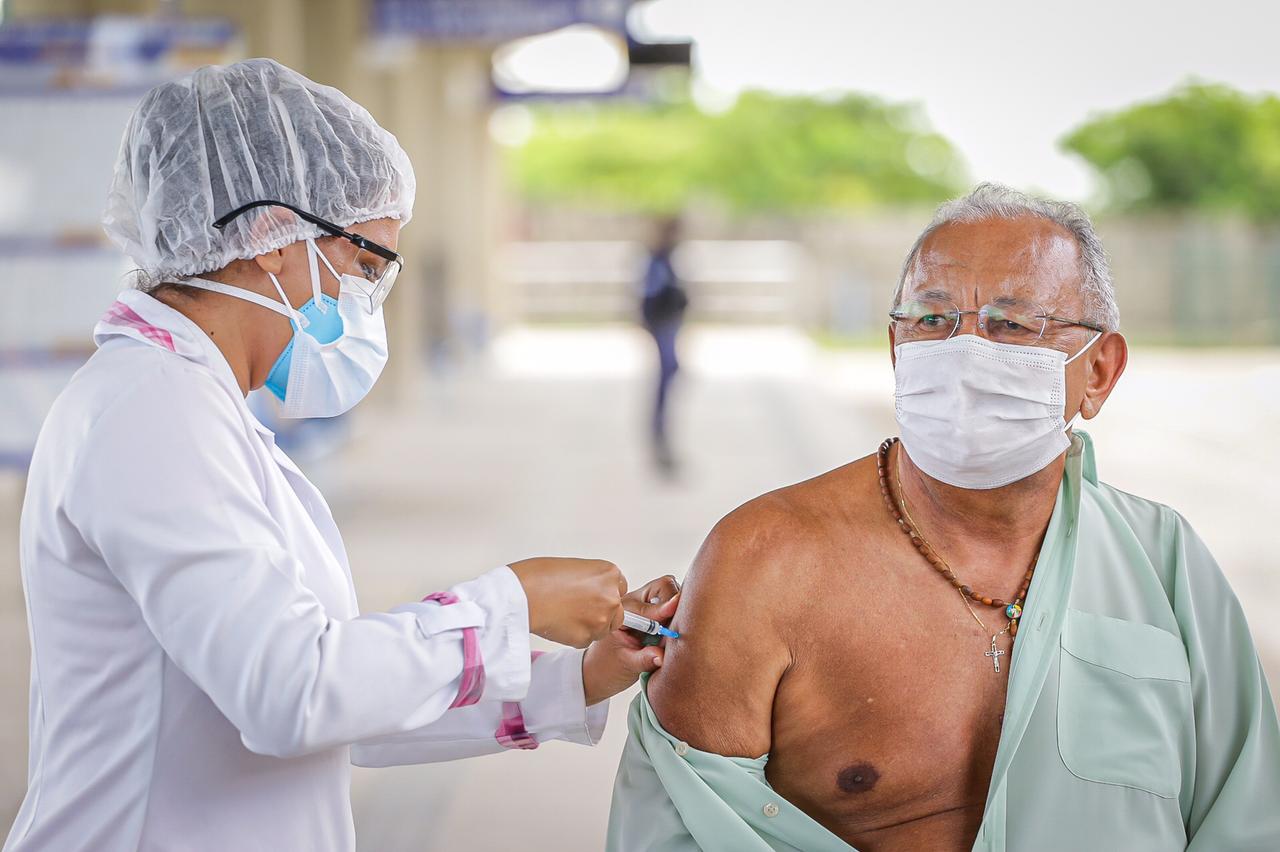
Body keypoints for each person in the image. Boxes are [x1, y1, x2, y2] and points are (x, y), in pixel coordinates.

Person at [4, 59, 679, 852]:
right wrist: (511, 602)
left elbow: (339, 696)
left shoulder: (199, 408)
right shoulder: (150, 413)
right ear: (269, 237)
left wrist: (580, 675)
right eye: (364, 266)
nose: (366, 303)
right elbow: (292, 694)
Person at [608, 184, 1280, 851]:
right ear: (897, 349)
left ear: (1099, 371)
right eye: (932, 321)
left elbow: (1246, 817)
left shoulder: (1163, 563)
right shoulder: (765, 560)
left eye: (1013, 325)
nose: (964, 351)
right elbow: (677, 832)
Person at [639, 216, 689, 474]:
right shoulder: (658, 259)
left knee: (670, 373)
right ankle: (659, 432)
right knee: (667, 374)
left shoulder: (665, 257)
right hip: (663, 324)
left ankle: (661, 431)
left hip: (667, 323)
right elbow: (650, 292)